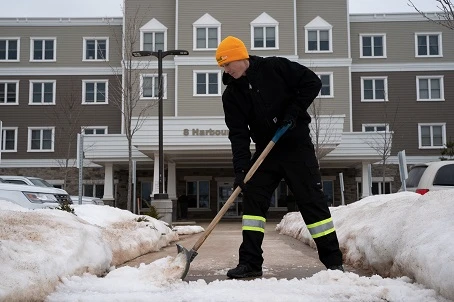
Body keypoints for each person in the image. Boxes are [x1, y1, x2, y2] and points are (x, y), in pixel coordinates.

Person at [216, 36, 344, 279]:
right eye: (222, 66)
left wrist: (293, 113)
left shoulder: (275, 67)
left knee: (311, 202)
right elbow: (239, 134)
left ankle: (334, 263)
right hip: (267, 150)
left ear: (240, 57)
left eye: (227, 63)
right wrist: (241, 169)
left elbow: (311, 82)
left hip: (296, 145)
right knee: (253, 199)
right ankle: (250, 263)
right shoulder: (232, 95)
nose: (226, 70)